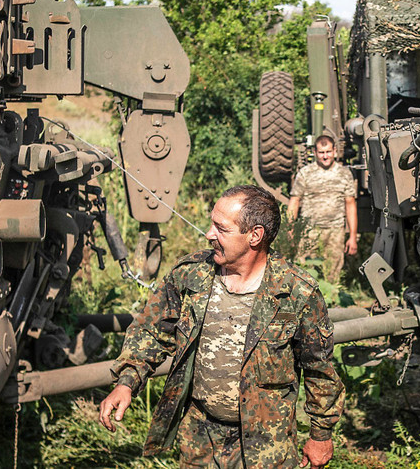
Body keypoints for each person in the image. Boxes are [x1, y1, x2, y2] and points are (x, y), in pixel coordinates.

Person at [99, 185, 344, 469]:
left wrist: (320, 435)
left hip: (267, 443)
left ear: (255, 235)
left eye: (221, 228)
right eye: (211, 223)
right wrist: (126, 383)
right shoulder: (192, 275)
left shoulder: (296, 292)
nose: (209, 234)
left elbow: (318, 368)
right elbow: (150, 331)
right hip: (199, 438)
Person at [288, 135, 358, 283]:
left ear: (334, 151)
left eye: (328, 152)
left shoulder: (344, 174)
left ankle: (330, 302)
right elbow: (294, 201)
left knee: (332, 274)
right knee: (304, 271)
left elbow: (350, 205)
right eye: (321, 152)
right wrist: (290, 228)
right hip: (310, 231)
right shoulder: (305, 173)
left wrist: (352, 236)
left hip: (335, 231)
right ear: (314, 152)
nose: (325, 156)